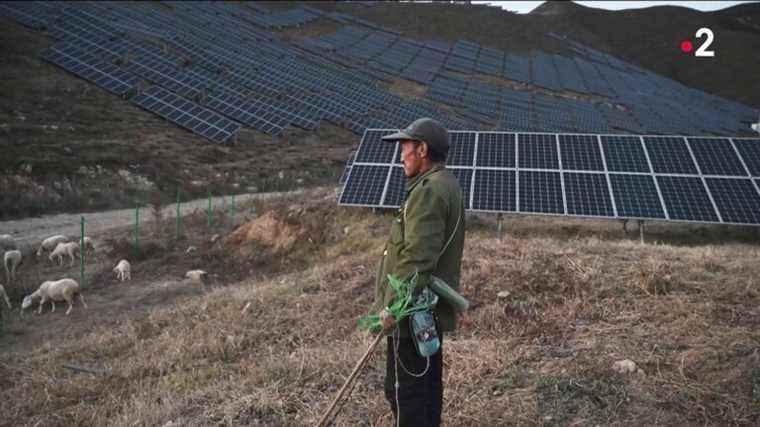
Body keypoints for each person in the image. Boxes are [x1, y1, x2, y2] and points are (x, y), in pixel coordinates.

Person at [372, 117, 466, 426]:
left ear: (422, 149)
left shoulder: (427, 191)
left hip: (412, 315)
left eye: (405, 147)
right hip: (426, 313)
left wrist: (391, 308)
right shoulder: (445, 184)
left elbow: (417, 260)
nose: (401, 155)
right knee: (424, 393)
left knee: (405, 396)